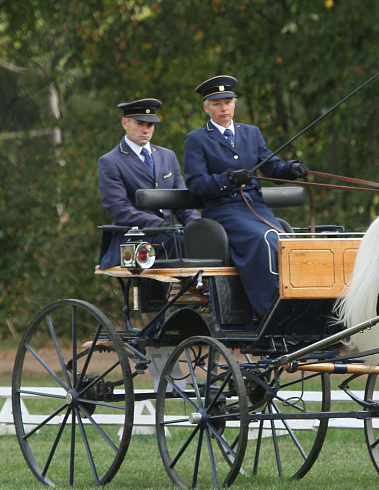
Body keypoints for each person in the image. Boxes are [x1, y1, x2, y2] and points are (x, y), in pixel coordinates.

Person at [183, 75, 308, 319]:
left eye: (228, 102)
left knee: (285, 240)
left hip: (256, 208)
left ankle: (298, 305)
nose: (224, 108)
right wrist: (227, 179)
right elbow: (196, 184)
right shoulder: (196, 139)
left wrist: (291, 168)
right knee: (262, 239)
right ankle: (268, 311)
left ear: (234, 104)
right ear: (206, 107)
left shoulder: (251, 133)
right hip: (223, 210)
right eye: (217, 103)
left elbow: (271, 167)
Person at [97, 98, 200, 269]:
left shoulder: (167, 156)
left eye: (150, 125)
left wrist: (198, 225)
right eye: (140, 124)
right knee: (177, 242)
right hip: (136, 236)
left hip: (169, 234)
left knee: (209, 239)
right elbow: (119, 209)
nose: (146, 130)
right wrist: (159, 225)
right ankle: (171, 295)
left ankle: (201, 293)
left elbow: (182, 202)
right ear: (125, 123)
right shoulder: (111, 161)